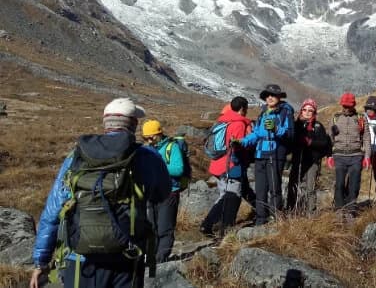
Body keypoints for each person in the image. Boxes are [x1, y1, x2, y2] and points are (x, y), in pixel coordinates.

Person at [30, 98, 170, 288]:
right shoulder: (147, 157)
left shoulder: (77, 157)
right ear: (134, 125)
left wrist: (41, 261)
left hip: (80, 259)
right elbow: (162, 193)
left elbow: (53, 212)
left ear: (105, 124)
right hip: (127, 257)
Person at [240, 84, 294, 225]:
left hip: (275, 154)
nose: (269, 97)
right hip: (260, 154)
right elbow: (257, 133)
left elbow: (290, 134)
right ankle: (260, 219)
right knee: (260, 188)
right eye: (267, 95)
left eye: (273, 95)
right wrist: (243, 142)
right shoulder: (263, 112)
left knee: (274, 188)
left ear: (279, 97)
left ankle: (277, 219)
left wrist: (276, 129)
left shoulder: (285, 112)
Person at [201, 97, 252, 235]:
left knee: (224, 196)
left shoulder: (222, 121)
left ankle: (207, 224)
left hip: (217, 164)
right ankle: (225, 230)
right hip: (230, 166)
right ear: (242, 109)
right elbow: (238, 146)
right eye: (246, 108)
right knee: (233, 196)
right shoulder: (239, 124)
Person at [142, 119, 184, 262]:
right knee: (151, 227)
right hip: (151, 193)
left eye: (151, 136)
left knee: (164, 228)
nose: (149, 140)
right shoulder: (146, 149)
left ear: (159, 134)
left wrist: (157, 166)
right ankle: (150, 258)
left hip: (169, 192)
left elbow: (178, 169)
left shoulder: (172, 147)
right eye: (146, 137)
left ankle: (160, 260)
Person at [327, 93, 371, 217]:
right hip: (339, 156)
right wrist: (329, 155)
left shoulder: (361, 118)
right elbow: (329, 138)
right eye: (344, 106)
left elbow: (367, 137)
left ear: (354, 105)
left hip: (356, 156)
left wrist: (367, 156)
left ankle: (351, 209)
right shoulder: (335, 117)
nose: (346, 108)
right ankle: (339, 210)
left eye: (349, 106)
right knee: (339, 183)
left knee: (354, 184)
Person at [286, 98, 332, 215]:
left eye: (310, 110)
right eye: (304, 109)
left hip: (312, 162)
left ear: (314, 112)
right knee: (293, 186)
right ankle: (292, 211)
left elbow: (324, 143)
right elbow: (289, 141)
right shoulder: (295, 125)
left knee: (310, 188)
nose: (307, 112)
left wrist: (310, 142)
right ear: (301, 111)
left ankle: (310, 213)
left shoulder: (318, 126)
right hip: (297, 160)